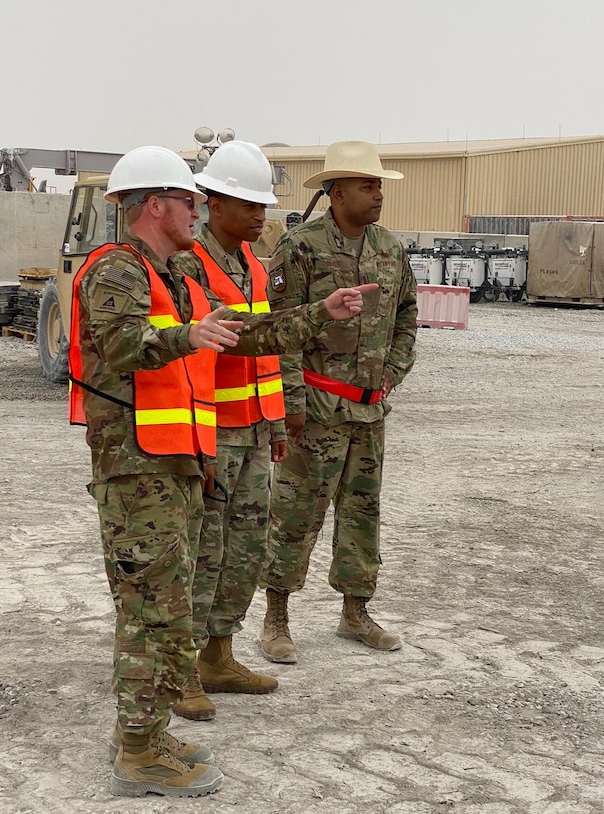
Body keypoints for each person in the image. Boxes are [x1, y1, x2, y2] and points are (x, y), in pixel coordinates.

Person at [68, 145, 375, 797]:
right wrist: (190, 336)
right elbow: (123, 347)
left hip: (173, 461)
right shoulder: (116, 271)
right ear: (156, 206)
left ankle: (146, 734)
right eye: (187, 201)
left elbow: (247, 334)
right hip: (134, 468)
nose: (197, 209)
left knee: (169, 607)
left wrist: (321, 314)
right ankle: (137, 754)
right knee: (149, 610)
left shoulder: (175, 275)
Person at [258, 140, 418, 664]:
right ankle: (276, 617)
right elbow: (281, 329)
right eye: (369, 186)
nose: (377, 195)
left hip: (370, 412)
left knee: (362, 512)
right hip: (318, 409)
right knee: (296, 512)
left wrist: (393, 371)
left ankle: (356, 611)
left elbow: (407, 316)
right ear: (338, 190)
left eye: (379, 187)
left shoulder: (391, 250)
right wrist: (292, 401)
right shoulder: (300, 247)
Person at [171, 141, 284, 720]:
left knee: (246, 549)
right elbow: (194, 358)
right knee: (204, 552)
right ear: (213, 202)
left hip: (257, 431)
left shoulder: (255, 267)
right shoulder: (190, 265)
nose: (260, 215)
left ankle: (220, 654)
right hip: (215, 433)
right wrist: (200, 441)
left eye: (264, 205)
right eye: (248, 203)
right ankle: (184, 666)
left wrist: (278, 420)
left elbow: (267, 357)